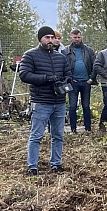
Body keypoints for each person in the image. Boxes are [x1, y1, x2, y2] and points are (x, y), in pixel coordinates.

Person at [18, 26, 73, 174]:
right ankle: (32, 167)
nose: (50, 40)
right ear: (40, 39)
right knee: (36, 135)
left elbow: (68, 73)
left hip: (59, 101)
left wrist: (67, 80)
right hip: (41, 101)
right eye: (46, 37)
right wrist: (46, 79)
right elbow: (24, 75)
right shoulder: (30, 55)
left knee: (58, 135)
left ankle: (56, 163)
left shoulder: (60, 57)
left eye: (52, 37)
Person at [62, 29, 96, 134]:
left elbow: (95, 65)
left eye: (79, 37)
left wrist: (91, 79)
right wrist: (70, 79)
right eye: (75, 37)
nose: (77, 39)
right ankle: (73, 129)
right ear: (71, 37)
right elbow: (64, 66)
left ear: (82, 37)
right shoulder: (66, 51)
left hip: (86, 82)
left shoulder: (89, 50)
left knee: (86, 106)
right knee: (72, 106)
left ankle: (88, 129)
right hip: (73, 82)